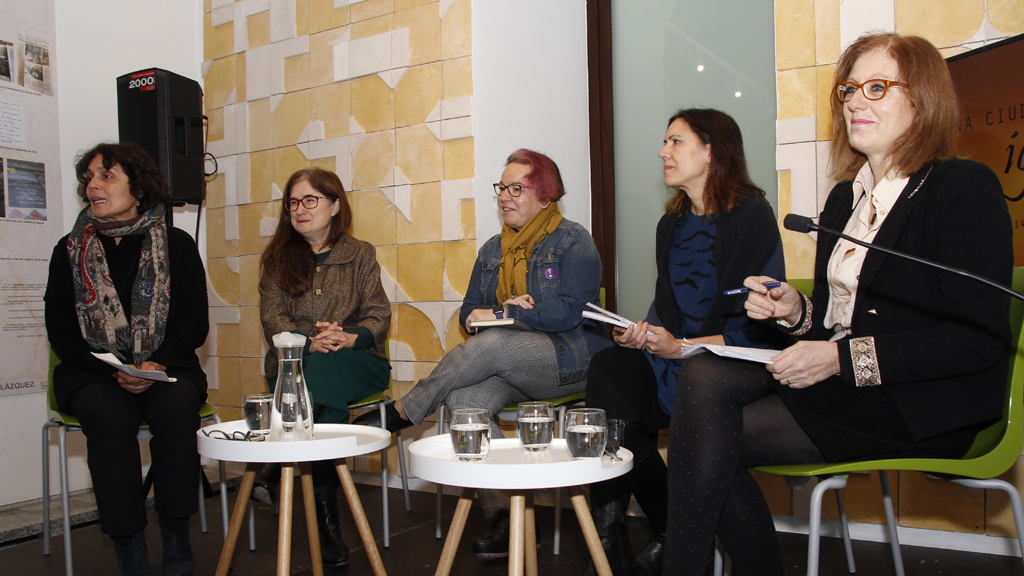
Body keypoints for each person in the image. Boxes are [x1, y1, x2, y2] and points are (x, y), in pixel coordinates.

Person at [663, 33, 1013, 576]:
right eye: (849, 89)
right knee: (705, 379)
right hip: (844, 384)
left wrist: (839, 359)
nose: (854, 101)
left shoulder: (961, 186)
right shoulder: (843, 199)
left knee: (708, 434)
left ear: (922, 99)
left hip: (918, 399)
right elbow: (828, 322)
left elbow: (976, 338)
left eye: (877, 87)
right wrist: (792, 312)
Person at [353, 148, 611, 559]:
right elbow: (469, 313)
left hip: (570, 360)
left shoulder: (575, 242)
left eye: (516, 188)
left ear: (545, 196)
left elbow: (568, 312)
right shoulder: (493, 249)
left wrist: (506, 314)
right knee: (463, 401)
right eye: (501, 188)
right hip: (511, 363)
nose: (504, 196)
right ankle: (509, 517)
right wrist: (495, 313)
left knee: (491, 343)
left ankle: (403, 409)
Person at [583, 109, 787, 576]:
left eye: (675, 141)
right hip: (681, 360)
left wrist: (686, 347)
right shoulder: (669, 225)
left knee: (699, 370)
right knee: (610, 368)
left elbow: (761, 327)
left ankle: (675, 536)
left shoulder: (751, 215)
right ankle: (615, 539)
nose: (662, 151)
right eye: (665, 142)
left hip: (733, 361)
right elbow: (667, 309)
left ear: (711, 151)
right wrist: (643, 333)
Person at [44, 143, 209, 576]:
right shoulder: (69, 251)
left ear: (138, 187)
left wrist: (156, 364)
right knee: (109, 415)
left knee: (176, 409)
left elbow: (194, 321)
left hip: (166, 366)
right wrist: (113, 368)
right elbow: (61, 330)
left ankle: (176, 535)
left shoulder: (176, 244)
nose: (93, 185)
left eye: (106, 176)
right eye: (89, 179)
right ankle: (129, 547)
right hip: (92, 372)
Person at [258, 167, 391, 567]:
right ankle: (327, 520)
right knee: (320, 388)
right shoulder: (277, 259)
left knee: (322, 374)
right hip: (294, 363)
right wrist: (307, 343)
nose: (300, 209)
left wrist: (348, 337)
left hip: (358, 361)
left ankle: (274, 468)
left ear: (334, 206)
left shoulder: (361, 253)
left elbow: (379, 314)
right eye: (294, 202)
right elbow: (273, 318)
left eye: (310, 200)